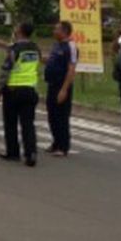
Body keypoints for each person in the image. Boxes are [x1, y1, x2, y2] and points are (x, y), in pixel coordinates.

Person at [0, 21, 41, 167]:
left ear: (20, 31)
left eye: (16, 27)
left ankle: (13, 152)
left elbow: (6, 70)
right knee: (28, 124)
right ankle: (31, 153)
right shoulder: (35, 48)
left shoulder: (14, 50)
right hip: (30, 90)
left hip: (13, 90)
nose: (15, 29)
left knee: (11, 123)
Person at [44, 20, 78, 156]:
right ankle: (55, 142)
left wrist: (64, 89)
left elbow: (71, 69)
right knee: (52, 115)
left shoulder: (70, 46)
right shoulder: (56, 45)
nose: (54, 32)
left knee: (61, 116)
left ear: (64, 31)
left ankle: (63, 146)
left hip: (62, 85)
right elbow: (52, 60)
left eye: (56, 29)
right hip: (51, 84)